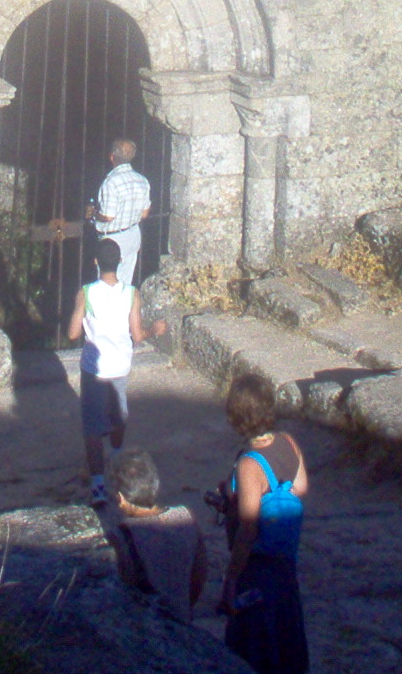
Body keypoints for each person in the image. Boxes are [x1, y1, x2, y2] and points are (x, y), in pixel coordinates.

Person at [217, 370, 308, 674]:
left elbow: (248, 527)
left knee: (254, 646)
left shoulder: (249, 464)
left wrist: (230, 579)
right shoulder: (289, 442)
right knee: (286, 636)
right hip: (285, 559)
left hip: (256, 566)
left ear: (237, 416)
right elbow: (300, 487)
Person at [67, 236, 167, 507]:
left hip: (93, 368)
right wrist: (153, 330)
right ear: (121, 261)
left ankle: (98, 485)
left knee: (92, 426)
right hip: (121, 365)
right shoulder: (131, 293)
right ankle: (117, 460)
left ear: (96, 262)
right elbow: (137, 334)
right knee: (118, 415)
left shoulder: (86, 293)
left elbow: (73, 332)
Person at [95, 447, 208, 622]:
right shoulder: (185, 518)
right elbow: (199, 575)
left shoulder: (120, 537)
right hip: (182, 619)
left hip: (147, 630)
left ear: (121, 498)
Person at [89, 138, 153, 284]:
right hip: (133, 234)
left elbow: (108, 216)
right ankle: (124, 306)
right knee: (126, 280)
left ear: (112, 157)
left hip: (113, 239)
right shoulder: (142, 180)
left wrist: (94, 214)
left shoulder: (111, 182)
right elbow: (144, 213)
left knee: (107, 281)